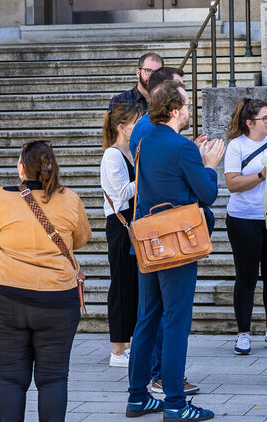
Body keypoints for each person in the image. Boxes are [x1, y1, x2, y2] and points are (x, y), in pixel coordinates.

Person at [125, 80, 224, 421]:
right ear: (175, 110)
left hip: (148, 240)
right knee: (176, 321)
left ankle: (137, 398)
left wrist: (193, 155)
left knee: (147, 318)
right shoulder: (181, 147)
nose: (189, 110)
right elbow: (207, 193)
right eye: (185, 104)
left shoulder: (145, 140)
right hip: (176, 241)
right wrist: (209, 163)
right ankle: (175, 402)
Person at [0, 140, 91, 422]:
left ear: (21, 168)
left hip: (9, 298)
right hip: (57, 300)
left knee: (10, 378)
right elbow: (81, 239)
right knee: (53, 379)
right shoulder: (70, 199)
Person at [223, 97, 267, 356]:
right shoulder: (237, 146)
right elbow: (232, 183)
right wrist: (261, 175)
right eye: (265, 119)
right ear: (250, 123)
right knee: (246, 276)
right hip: (243, 218)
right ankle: (243, 334)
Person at [100, 102, 144, 368]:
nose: (139, 127)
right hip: (120, 225)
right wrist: (148, 176)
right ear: (121, 127)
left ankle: (128, 344)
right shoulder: (113, 155)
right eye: (135, 123)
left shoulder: (129, 152)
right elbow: (121, 193)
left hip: (133, 222)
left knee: (133, 286)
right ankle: (118, 349)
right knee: (120, 285)